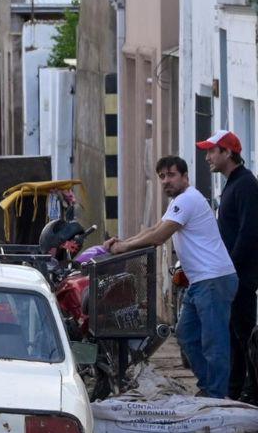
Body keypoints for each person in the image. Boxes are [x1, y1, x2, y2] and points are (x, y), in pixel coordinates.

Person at [106, 156, 237, 398]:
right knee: (186, 336)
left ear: (185, 177)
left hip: (213, 279)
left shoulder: (188, 199)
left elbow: (159, 237)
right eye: (162, 177)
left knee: (213, 342)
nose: (166, 181)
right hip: (199, 282)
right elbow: (154, 229)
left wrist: (123, 249)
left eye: (171, 175)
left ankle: (217, 395)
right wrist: (123, 243)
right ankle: (209, 387)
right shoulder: (178, 202)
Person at [201, 130, 258, 400]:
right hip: (233, 273)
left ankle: (251, 391)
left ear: (228, 153)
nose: (208, 156)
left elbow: (249, 232)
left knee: (244, 334)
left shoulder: (245, 184)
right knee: (235, 335)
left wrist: (230, 268)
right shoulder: (232, 183)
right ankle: (236, 390)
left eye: (213, 151)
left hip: (241, 275)